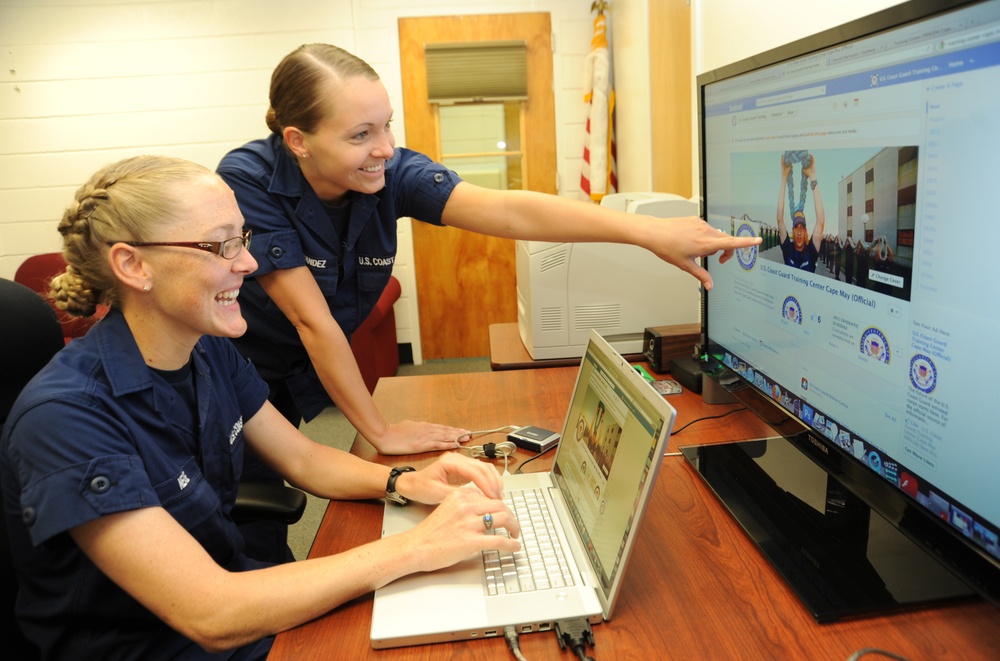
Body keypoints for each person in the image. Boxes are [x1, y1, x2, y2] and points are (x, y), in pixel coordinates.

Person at [0, 155, 521, 660]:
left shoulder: (206, 349)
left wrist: (401, 482)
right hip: (169, 640)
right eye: (222, 245)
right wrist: (417, 548)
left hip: (242, 596)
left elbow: (303, 459)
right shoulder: (67, 418)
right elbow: (211, 612)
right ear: (134, 265)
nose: (248, 263)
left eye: (243, 238)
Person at [216, 43, 760, 458]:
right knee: (235, 520)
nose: (384, 148)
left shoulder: (390, 172)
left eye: (387, 127)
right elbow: (313, 322)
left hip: (298, 373)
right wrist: (380, 431)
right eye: (360, 135)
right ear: (298, 141)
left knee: (268, 522)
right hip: (229, 373)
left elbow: (508, 211)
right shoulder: (249, 181)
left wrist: (648, 233)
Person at [776, 151, 825, 271]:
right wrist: (784, 178)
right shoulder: (788, 249)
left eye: (802, 228)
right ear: (792, 231)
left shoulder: (812, 252)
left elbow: (821, 221)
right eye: (796, 227)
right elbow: (780, 220)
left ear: (805, 233)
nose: (798, 232)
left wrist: (812, 176)